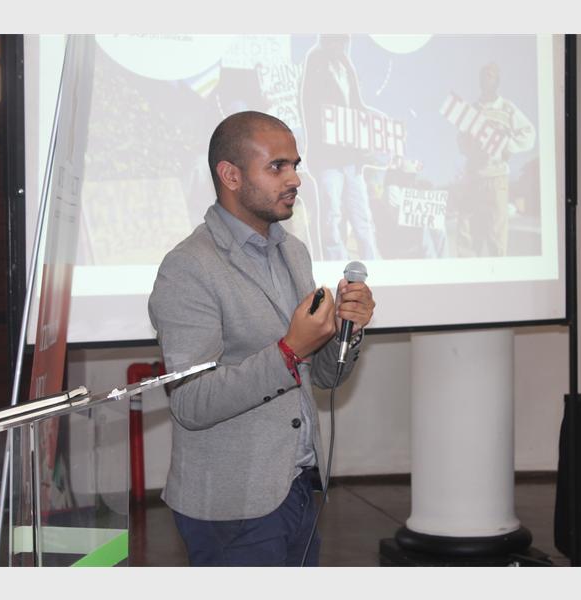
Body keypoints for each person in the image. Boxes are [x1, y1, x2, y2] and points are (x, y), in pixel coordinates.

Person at [148, 111, 375, 566]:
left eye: (295, 165)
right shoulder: (189, 266)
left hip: (297, 487)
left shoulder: (293, 251)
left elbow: (323, 377)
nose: (294, 179)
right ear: (230, 175)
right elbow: (191, 403)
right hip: (232, 505)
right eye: (277, 167)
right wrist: (290, 349)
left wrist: (347, 330)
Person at [300, 34, 381, 261]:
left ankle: (372, 264)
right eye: (337, 40)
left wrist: (369, 133)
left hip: (352, 158)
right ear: (327, 41)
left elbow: (356, 106)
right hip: (328, 158)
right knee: (331, 215)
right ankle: (336, 263)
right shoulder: (316, 61)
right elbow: (311, 107)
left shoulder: (346, 65)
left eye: (344, 41)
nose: (342, 45)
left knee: (361, 214)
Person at [458, 62, 535, 257]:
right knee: (468, 231)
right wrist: (472, 146)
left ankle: (498, 269)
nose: (486, 79)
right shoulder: (472, 110)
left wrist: (507, 145)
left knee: (497, 233)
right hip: (474, 176)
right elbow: (461, 142)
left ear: (497, 81)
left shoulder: (507, 108)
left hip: (497, 177)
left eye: (490, 76)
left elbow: (529, 133)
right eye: (483, 76)